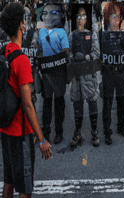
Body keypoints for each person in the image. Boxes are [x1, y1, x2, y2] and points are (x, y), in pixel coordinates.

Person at [0, 3, 52, 198]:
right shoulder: (21, 60)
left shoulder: (4, 50)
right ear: (21, 25)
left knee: (9, 181)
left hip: (5, 130)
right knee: (25, 189)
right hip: (20, 134)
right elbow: (28, 104)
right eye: (25, 19)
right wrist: (41, 140)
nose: (27, 23)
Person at [69, 7, 100, 147]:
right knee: (77, 103)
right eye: (78, 16)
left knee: (92, 101)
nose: (81, 19)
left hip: (88, 74)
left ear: (86, 19)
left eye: (83, 16)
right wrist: (72, 58)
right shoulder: (72, 35)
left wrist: (86, 57)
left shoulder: (91, 34)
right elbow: (68, 52)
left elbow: (96, 52)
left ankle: (94, 131)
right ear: (75, 19)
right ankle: (78, 131)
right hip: (76, 76)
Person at [38, 3, 69, 144]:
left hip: (58, 72)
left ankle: (59, 132)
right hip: (46, 74)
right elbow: (39, 49)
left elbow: (66, 51)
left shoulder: (62, 32)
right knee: (47, 104)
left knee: (59, 103)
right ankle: (46, 132)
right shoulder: (41, 32)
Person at [101, 1, 124, 145]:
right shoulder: (103, 34)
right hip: (108, 73)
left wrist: (121, 32)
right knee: (107, 103)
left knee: (121, 101)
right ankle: (107, 131)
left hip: (120, 72)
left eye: (118, 16)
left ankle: (121, 127)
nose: (116, 19)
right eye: (113, 16)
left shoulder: (123, 34)